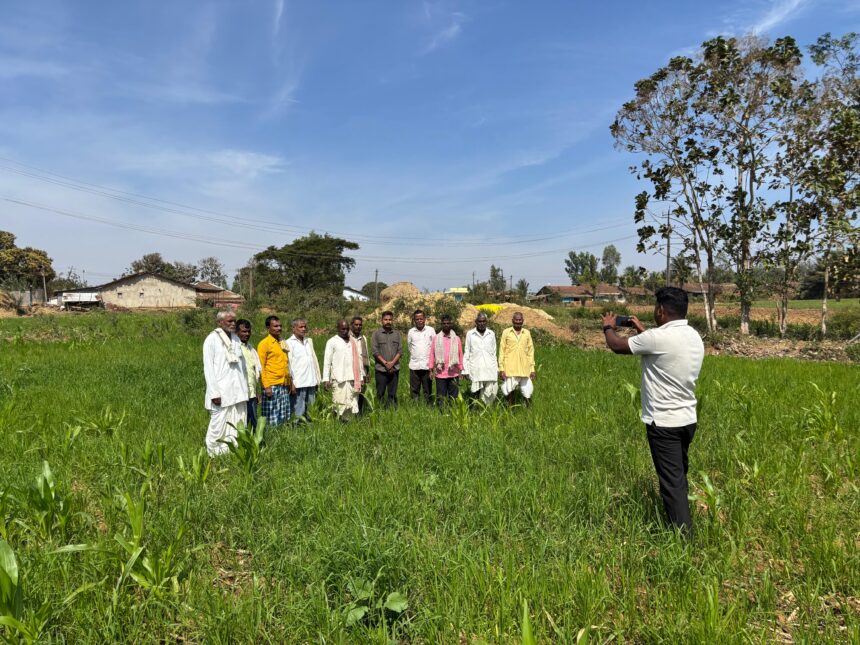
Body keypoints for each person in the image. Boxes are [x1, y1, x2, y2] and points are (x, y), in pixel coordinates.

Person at [602, 287, 705, 535]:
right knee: (678, 476)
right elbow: (662, 348)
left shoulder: (657, 338)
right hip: (687, 419)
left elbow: (616, 345)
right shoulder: (693, 336)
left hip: (664, 424)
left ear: (660, 310)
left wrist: (608, 326)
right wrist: (642, 330)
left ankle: (682, 540)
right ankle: (681, 522)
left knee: (671, 484)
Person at [202, 311, 248, 456]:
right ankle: (214, 453)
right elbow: (208, 368)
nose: (233, 324)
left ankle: (232, 450)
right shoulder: (211, 339)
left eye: (234, 321)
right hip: (221, 392)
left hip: (238, 391)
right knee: (218, 425)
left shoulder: (236, 339)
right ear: (219, 323)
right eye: (229, 321)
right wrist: (214, 393)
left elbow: (242, 367)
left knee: (237, 422)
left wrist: (246, 389)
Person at [323, 319, 363, 421]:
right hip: (338, 378)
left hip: (352, 379)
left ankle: (349, 424)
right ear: (338, 329)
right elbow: (327, 362)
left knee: (352, 402)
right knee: (338, 403)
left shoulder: (352, 341)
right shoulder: (332, 342)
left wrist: (361, 377)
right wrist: (326, 379)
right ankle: (338, 423)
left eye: (347, 329)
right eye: (342, 329)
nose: (345, 331)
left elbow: (359, 361)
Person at [257, 315, 291, 426]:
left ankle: (282, 435)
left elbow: (286, 364)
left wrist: (290, 382)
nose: (279, 328)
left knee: (283, 414)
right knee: (271, 415)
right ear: (268, 327)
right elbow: (261, 367)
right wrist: (266, 386)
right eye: (275, 326)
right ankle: (271, 435)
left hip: (283, 384)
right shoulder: (264, 344)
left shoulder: (282, 343)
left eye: (280, 326)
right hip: (271, 385)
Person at [286, 318, 321, 423]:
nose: (303, 329)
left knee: (311, 409)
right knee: (298, 409)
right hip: (299, 382)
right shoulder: (289, 343)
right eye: (301, 327)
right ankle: (296, 429)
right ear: (293, 328)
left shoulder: (308, 341)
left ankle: (309, 427)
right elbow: (288, 364)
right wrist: (291, 382)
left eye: (305, 326)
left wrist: (317, 379)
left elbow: (313, 361)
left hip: (311, 381)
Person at [499, 312, 536, 406]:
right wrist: (501, 369)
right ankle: (510, 409)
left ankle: (528, 410)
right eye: (516, 320)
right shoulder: (506, 332)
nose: (518, 322)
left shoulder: (527, 333)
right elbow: (501, 351)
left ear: (523, 321)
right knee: (509, 390)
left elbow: (530, 352)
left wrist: (532, 369)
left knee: (527, 391)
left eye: (520, 320)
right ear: (512, 321)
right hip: (510, 367)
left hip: (525, 368)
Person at [463, 312, 499, 405]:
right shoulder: (470, 334)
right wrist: (465, 370)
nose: (481, 323)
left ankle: (486, 409)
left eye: (483, 321)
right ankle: (474, 410)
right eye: (479, 321)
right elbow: (467, 352)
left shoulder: (491, 334)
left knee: (489, 391)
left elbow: (494, 353)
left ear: (486, 322)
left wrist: (496, 368)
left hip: (489, 368)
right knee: (475, 390)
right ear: (476, 322)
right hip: (476, 367)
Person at [429, 314, 463, 404]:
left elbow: (460, 355)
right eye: (444, 323)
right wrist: (431, 369)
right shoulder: (436, 338)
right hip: (440, 373)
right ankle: (441, 415)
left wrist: (461, 370)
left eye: (448, 323)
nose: (446, 325)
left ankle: (452, 414)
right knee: (441, 397)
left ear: (451, 324)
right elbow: (432, 354)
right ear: (441, 324)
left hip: (454, 373)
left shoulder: (457, 339)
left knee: (453, 398)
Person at [371, 311, 402, 407]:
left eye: (390, 319)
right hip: (381, 369)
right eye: (386, 319)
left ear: (392, 321)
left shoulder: (397, 334)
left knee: (392, 394)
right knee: (380, 393)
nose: (388, 321)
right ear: (382, 320)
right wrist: (386, 363)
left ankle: (391, 411)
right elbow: (375, 352)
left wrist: (392, 363)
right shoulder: (376, 334)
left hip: (394, 369)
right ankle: (379, 411)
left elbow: (400, 351)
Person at [235, 318, 262, 430]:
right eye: (243, 331)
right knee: (241, 422)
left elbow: (253, 372)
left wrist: (256, 392)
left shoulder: (250, 348)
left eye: (248, 331)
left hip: (251, 393)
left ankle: (255, 445)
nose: (247, 334)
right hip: (240, 394)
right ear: (237, 332)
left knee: (253, 422)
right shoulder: (235, 348)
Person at [407, 309, 435, 403]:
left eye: (421, 319)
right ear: (414, 320)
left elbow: (434, 347)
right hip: (414, 365)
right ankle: (415, 406)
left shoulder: (431, 330)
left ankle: (429, 407)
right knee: (414, 389)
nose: (419, 321)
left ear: (425, 319)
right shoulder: (411, 332)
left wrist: (432, 366)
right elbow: (409, 347)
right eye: (417, 319)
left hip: (427, 365)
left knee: (428, 389)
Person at [350, 316, 371, 414]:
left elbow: (366, 355)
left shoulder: (363, 338)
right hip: (351, 372)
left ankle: (359, 415)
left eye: (360, 325)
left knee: (361, 395)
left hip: (362, 371)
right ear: (352, 325)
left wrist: (367, 372)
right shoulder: (347, 338)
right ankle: (350, 415)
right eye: (356, 325)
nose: (358, 327)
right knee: (351, 395)